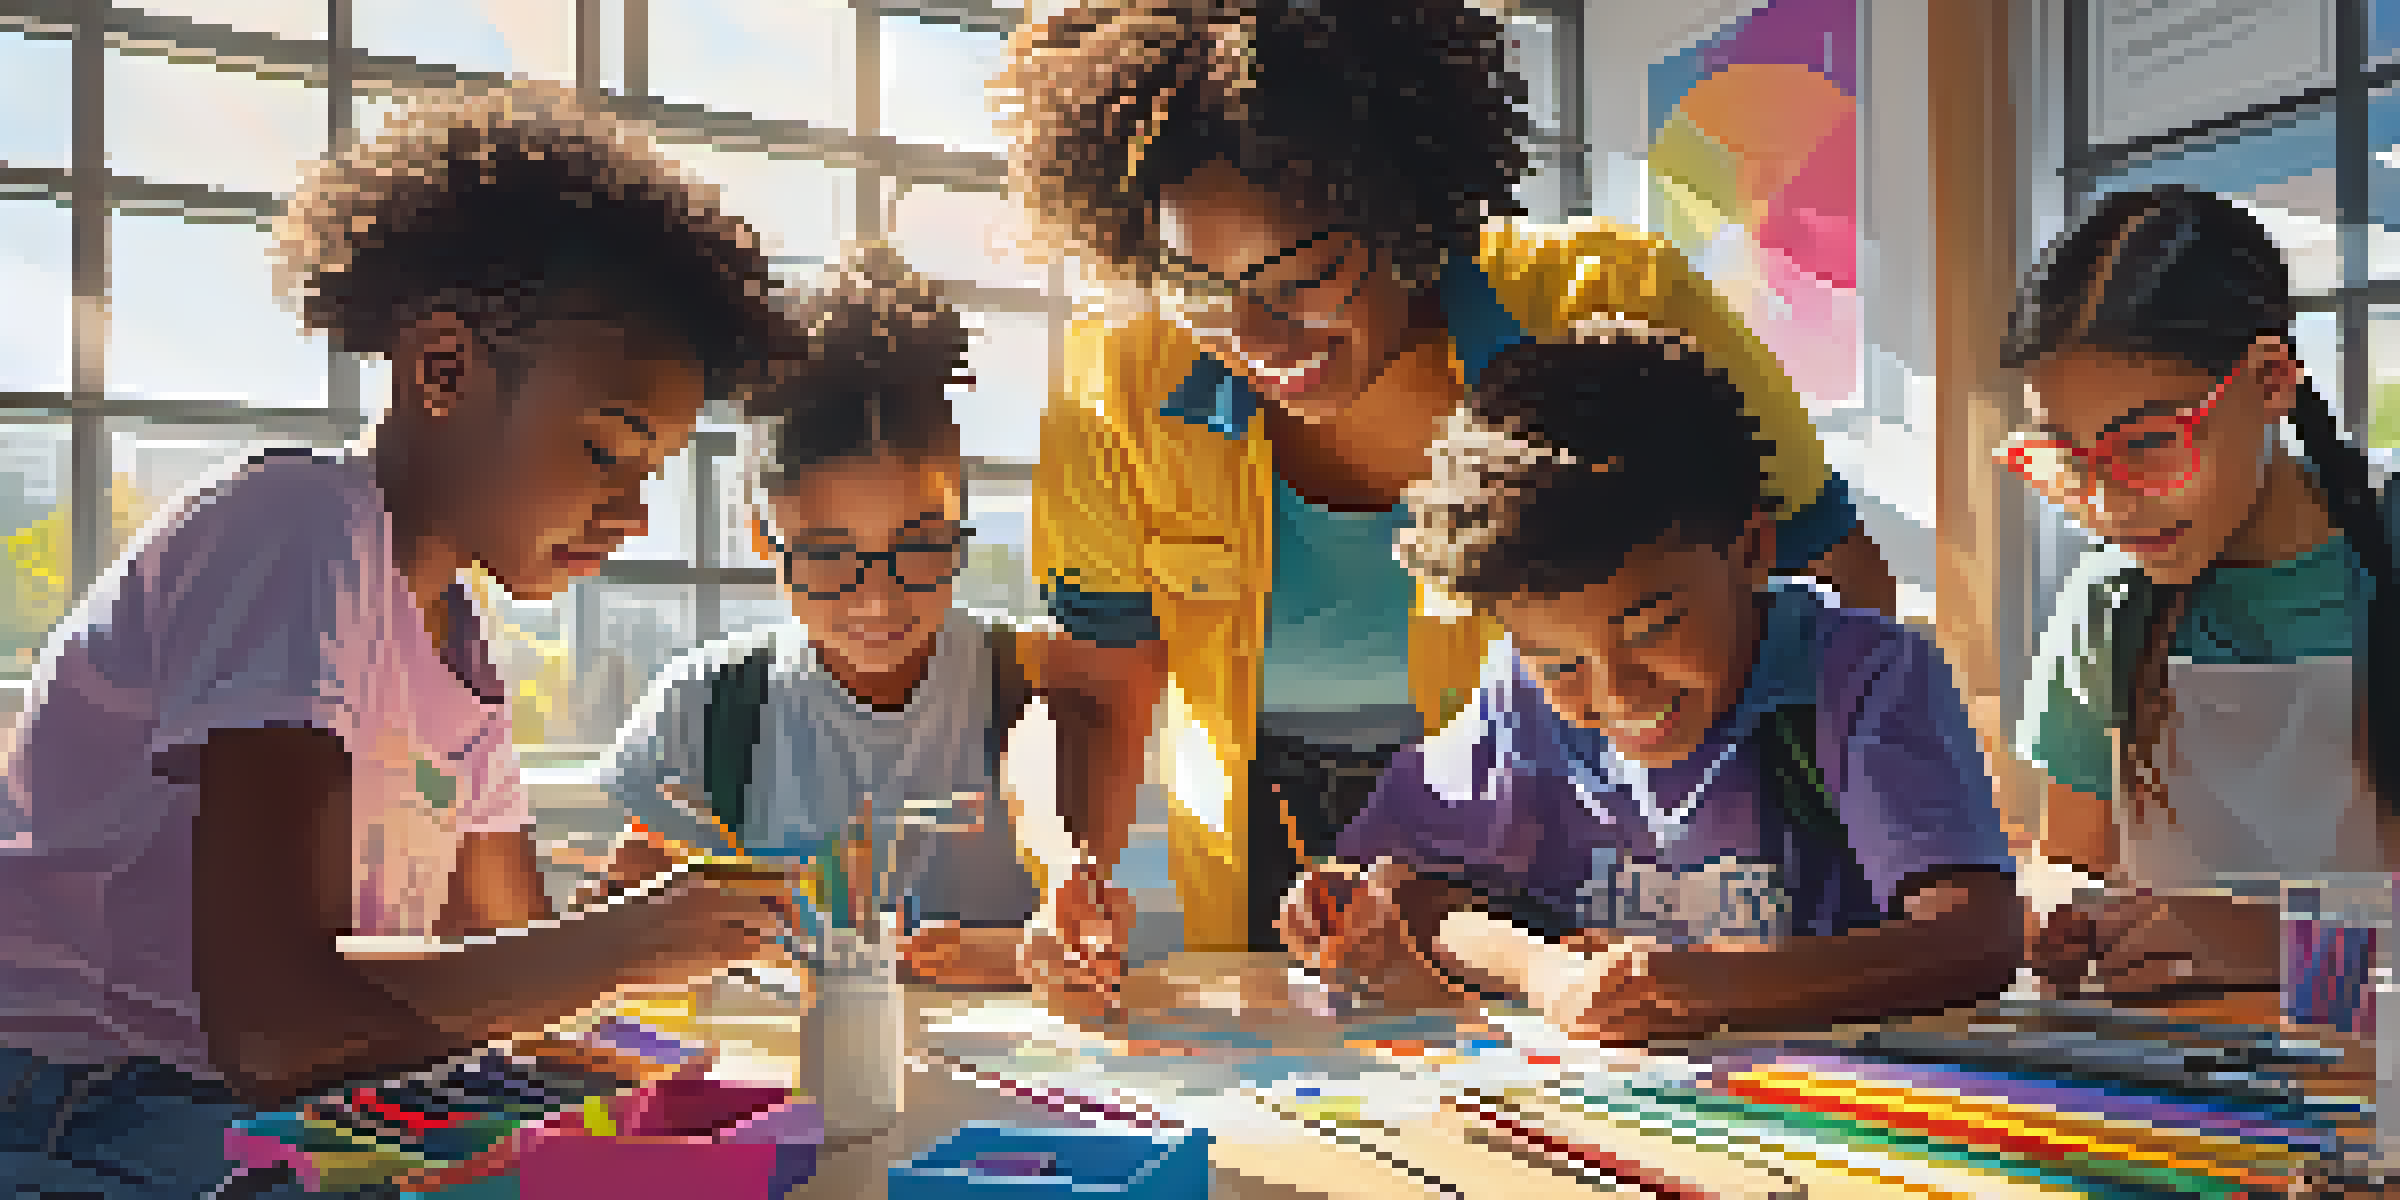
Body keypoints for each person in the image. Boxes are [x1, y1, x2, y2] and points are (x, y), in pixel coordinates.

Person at [992, 0, 1902, 987]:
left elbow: (1839, 598)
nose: (1260, 338)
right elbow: (1089, 691)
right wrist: (1066, 863)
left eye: (1305, 278)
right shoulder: (1113, 379)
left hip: (1592, 885)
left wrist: (1760, 861)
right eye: (1200, 290)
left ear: (1398, 211)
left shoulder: (1619, 308)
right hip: (1272, 892)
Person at [0, 83, 795, 1196]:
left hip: (238, 1100)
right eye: (605, 449)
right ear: (444, 370)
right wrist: (620, 946)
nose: (632, 512)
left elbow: (500, 968)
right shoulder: (297, 531)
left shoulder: (457, 660)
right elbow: (277, 1027)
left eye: (650, 471)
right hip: (88, 1099)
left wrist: (648, 921)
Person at [1275, 320, 2020, 1042]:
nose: (1619, 692)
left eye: (1653, 627)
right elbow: (1410, 890)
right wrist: (1539, 971)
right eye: (1563, 662)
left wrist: (1720, 986)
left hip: (1849, 1105)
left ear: (1753, 549)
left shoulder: (1863, 682)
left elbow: (1975, 939)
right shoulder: (1520, 691)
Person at [590, 243, 1043, 991]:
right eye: (829, 556)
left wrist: (1022, 957)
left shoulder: (1029, 681)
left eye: (922, 547)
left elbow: (1097, 937)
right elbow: (633, 940)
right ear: (763, 533)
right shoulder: (704, 711)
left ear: (963, 510)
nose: (878, 599)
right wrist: (626, 929)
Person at [2005, 186, 2397, 999]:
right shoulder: (2108, 602)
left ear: (2271, 378)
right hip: (2175, 1084)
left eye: (2147, 443)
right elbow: (2070, 861)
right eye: (2072, 461)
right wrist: (2065, 918)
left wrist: (2276, 945)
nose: (2111, 503)